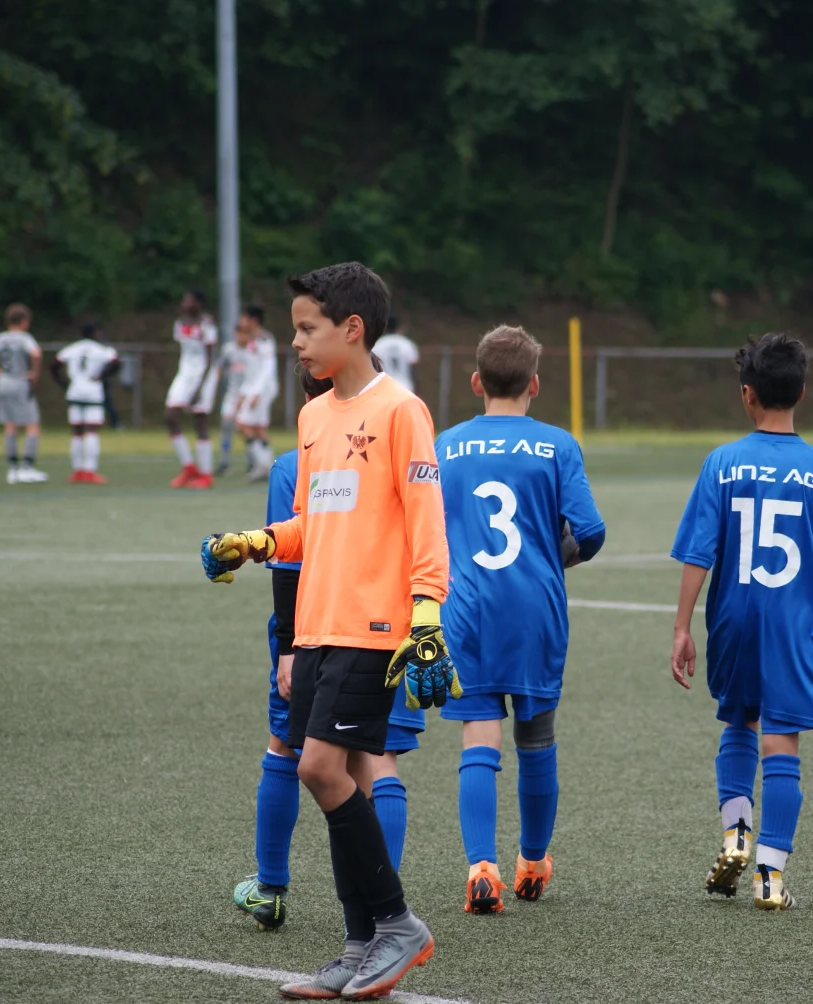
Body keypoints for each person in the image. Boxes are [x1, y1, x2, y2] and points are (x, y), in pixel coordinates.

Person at [202, 262, 449, 1000]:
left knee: (318, 768)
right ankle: (359, 944)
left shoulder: (403, 411)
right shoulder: (313, 418)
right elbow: (318, 521)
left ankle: (398, 926)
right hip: (315, 626)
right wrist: (256, 541)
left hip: (374, 627)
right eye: (293, 328)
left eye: (307, 328)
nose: (295, 342)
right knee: (329, 774)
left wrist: (427, 613)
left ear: (352, 330)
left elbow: (427, 523)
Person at [232, 365, 426, 932]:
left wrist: (287, 647)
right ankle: (375, 913)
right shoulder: (333, 431)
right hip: (354, 628)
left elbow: (290, 566)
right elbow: (294, 536)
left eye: (306, 328)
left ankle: (281, 888)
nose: (296, 339)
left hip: (342, 632)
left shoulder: (380, 424)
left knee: (296, 753)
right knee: (374, 759)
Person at [668, 332, 813, 911]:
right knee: (782, 740)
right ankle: (771, 876)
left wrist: (682, 627)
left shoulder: (721, 462)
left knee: (738, 723)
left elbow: (698, 552)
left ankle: (735, 832)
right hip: (793, 624)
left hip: (733, 620)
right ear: (801, 391)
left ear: (747, 395)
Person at [434, 324, 605, 913]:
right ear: (534, 382)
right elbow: (590, 531)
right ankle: (532, 863)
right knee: (536, 737)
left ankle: (482, 868)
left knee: (478, 735)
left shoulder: (445, 444)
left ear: (478, 381)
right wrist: (552, 562)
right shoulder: (557, 444)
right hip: (535, 607)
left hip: (467, 606)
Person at [0, 304, 48, 484]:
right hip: (19, 381)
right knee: (32, 425)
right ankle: (27, 467)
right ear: (24, 321)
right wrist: (34, 374)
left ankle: (13, 470)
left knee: (10, 425)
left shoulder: (0, 338)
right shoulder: (24, 338)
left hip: (4, 382)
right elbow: (36, 353)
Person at [51, 324, 120, 485]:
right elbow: (116, 362)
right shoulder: (101, 349)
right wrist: (102, 376)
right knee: (91, 431)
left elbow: (54, 365)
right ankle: (90, 470)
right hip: (92, 392)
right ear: (95, 333)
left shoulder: (72, 349)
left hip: (74, 391)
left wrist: (64, 383)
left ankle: (77, 471)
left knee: (76, 432)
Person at [165, 289, 218, 489]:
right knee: (170, 416)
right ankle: (189, 467)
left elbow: (211, 356)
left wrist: (201, 386)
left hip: (204, 374)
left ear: (198, 303)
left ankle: (206, 475)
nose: (184, 302)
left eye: (188, 299)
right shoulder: (179, 324)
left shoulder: (206, 324)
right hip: (185, 374)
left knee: (199, 419)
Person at [232, 305, 280, 482]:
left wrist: (257, 393)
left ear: (253, 320)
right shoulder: (250, 341)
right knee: (257, 429)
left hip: (263, 390)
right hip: (253, 390)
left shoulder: (265, 339)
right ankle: (267, 466)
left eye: (243, 318)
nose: (240, 322)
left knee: (243, 424)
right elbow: (250, 372)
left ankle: (265, 465)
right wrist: (244, 394)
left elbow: (267, 368)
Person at [215, 324, 248, 477]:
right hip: (231, 395)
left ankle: (253, 461)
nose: (240, 337)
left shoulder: (251, 351)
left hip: (247, 397)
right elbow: (220, 367)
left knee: (246, 429)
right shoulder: (229, 350)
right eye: (238, 333)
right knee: (226, 426)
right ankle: (224, 462)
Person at [371, 314, 419, 394]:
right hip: (406, 388)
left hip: (384, 389)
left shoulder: (378, 345)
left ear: (385, 327)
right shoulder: (407, 344)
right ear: (398, 327)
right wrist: (417, 390)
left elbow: (375, 369)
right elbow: (413, 371)